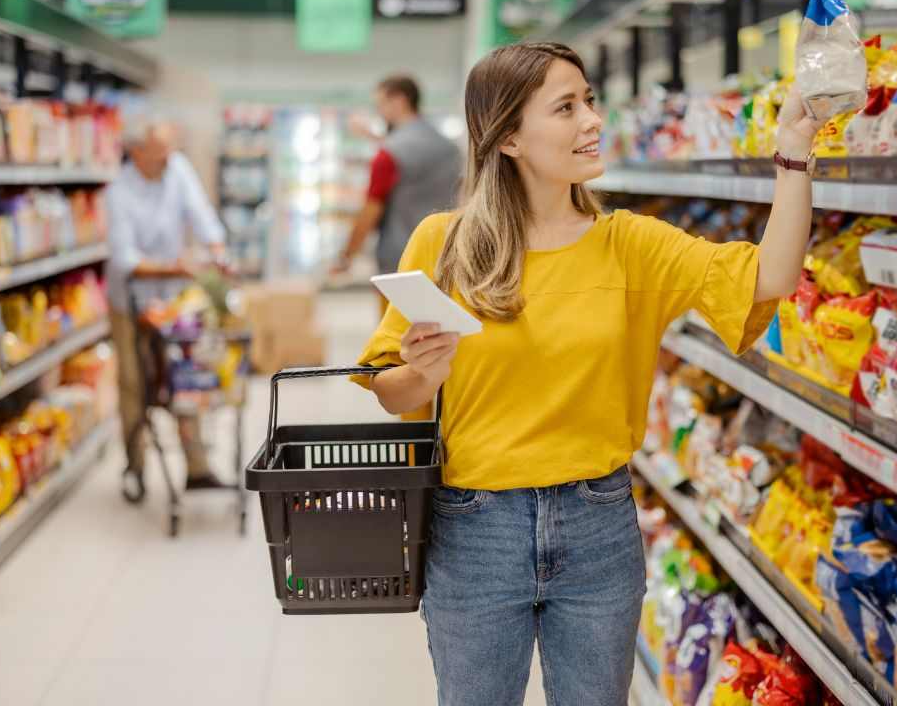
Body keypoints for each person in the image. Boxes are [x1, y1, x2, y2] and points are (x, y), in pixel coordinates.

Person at [352, 42, 822, 706]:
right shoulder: (445, 243)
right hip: (475, 526)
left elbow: (770, 277)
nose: (592, 121)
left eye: (591, 101)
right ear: (509, 137)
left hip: (597, 524)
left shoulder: (631, 244)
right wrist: (423, 374)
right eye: (566, 107)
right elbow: (389, 389)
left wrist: (794, 152)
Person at [105, 118, 230, 504]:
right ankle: (135, 467)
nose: (168, 158)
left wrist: (217, 249)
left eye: (169, 150)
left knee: (185, 375)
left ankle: (197, 468)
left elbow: (201, 214)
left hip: (173, 302)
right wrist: (177, 266)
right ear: (137, 152)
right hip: (131, 302)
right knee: (134, 384)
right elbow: (126, 259)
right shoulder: (118, 191)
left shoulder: (176, 170)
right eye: (159, 152)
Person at [331, 75, 462, 284]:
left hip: (400, 262)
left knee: (397, 317)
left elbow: (371, 210)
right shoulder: (450, 149)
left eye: (380, 104)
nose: (379, 111)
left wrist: (346, 257)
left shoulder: (388, 155)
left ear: (399, 101)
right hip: (447, 255)